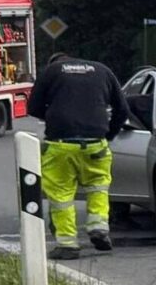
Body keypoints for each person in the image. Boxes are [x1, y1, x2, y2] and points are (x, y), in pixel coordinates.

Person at [28, 52, 129, 260]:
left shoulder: (51, 72)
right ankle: (99, 228)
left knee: (61, 195)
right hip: (96, 145)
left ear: (54, 62)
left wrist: (56, 117)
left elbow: (33, 107)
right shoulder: (102, 70)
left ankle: (68, 245)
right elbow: (123, 109)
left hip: (60, 145)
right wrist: (107, 134)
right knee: (98, 186)